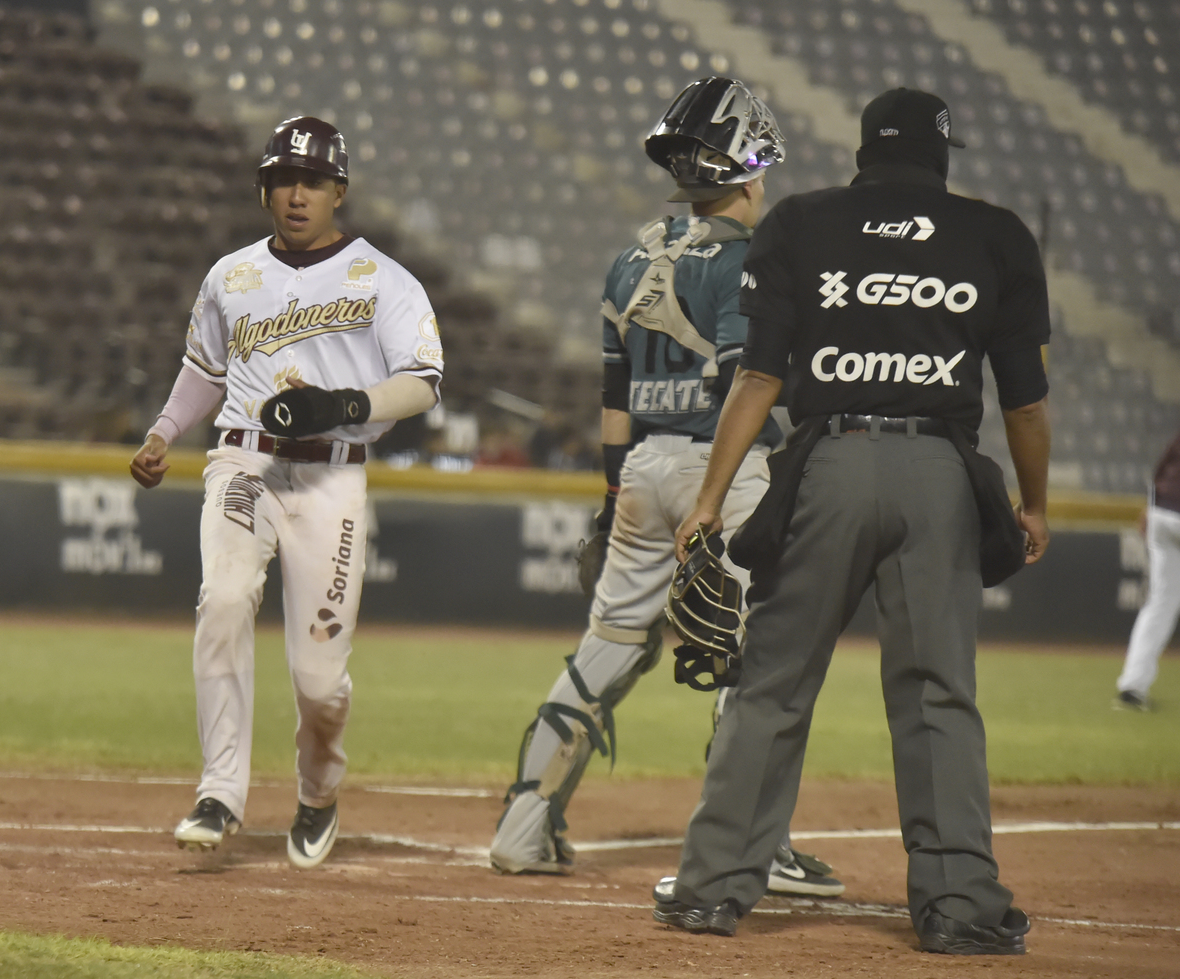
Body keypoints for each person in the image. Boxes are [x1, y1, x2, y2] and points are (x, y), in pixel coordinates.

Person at [656, 88, 1051, 953]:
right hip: (939, 473)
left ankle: (711, 889)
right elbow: (1024, 401)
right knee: (937, 694)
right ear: (942, 155)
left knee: (773, 684)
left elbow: (756, 380)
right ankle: (958, 907)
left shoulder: (800, 221)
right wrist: (1035, 501)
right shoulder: (998, 234)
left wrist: (711, 499)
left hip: (827, 462)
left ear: (864, 150)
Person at [488, 77, 844, 898]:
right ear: (750, 172)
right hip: (723, 472)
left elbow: (614, 401)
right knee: (761, 660)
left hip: (643, 469)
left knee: (605, 649)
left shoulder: (630, 257)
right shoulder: (746, 260)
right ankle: (759, 847)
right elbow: (741, 384)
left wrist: (616, 501)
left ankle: (521, 829)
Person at [129, 116, 444, 868]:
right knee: (225, 601)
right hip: (244, 463)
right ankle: (220, 791)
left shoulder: (383, 279)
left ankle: (318, 789)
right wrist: (165, 430)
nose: (296, 194)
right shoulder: (230, 276)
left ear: (339, 191)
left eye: (312, 181)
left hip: (331, 471)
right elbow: (204, 368)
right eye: (283, 180)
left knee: (319, 679)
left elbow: (423, 383)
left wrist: (348, 405)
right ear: (264, 189)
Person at [1115, 429, 1180, 710]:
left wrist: (1149, 506)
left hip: (1161, 512)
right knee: (1162, 602)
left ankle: (1133, 685)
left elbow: (1163, 464)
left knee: (1160, 603)